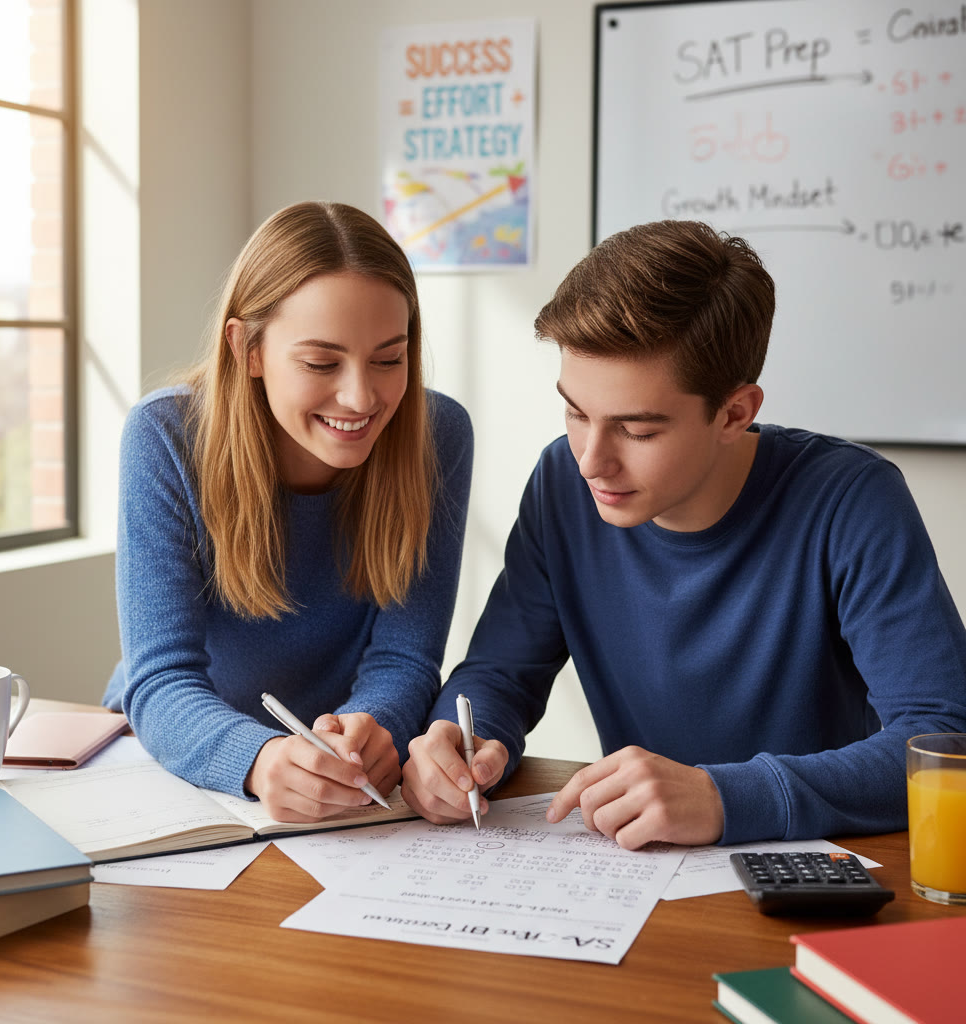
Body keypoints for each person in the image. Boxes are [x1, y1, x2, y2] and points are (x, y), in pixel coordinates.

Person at [401, 219, 966, 848]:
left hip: (820, 876)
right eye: (575, 412)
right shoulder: (563, 484)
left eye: (638, 431)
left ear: (734, 414)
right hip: (644, 875)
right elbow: (500, 675)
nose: (591, 459)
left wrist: (724, 798)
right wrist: (461, 740)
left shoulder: (852, 499)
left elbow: (944, 741)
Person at [103, 201, 473, 823]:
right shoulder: (164, 435)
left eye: (389, 358)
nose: (361, 396)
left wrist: (372, 730)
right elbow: (161, 679)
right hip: (179, 764)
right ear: (246, 348)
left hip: (342, 780)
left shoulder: (438, 435)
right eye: (321, 362)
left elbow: (406, 658)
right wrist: (260, 758)